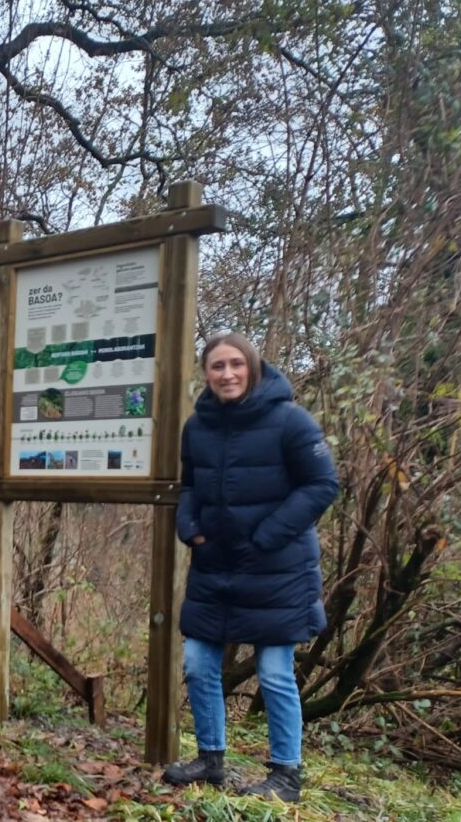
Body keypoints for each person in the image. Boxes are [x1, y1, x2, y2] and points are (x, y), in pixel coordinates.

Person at [161, 332, 338, 803]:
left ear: (253, 367)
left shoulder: (291, 421)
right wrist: (188, 523)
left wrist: (268, 535)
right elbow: (190, 485)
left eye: (236, 364)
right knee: (199, 662)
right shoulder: (196, 426)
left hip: (277, 568)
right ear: (206, 373)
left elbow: (322, 484)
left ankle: (286, 775)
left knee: (274, 670)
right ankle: (210, 760)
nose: (227, 374)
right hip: (214, 565)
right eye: (217, 366)